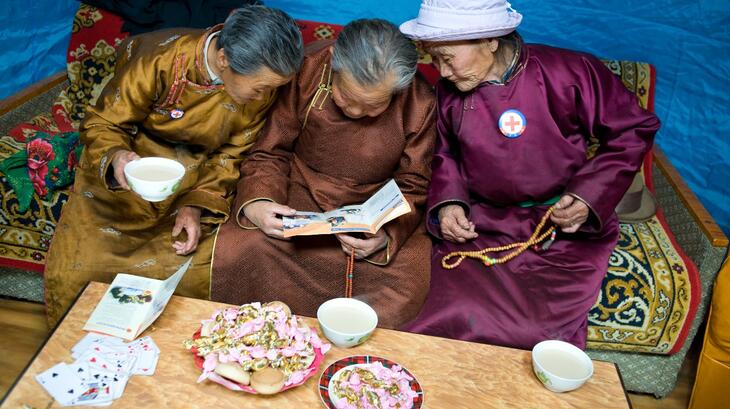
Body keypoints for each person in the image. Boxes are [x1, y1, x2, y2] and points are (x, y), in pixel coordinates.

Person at [399, 0, 660, 349]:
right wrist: (449, 204)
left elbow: (632, 129)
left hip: (557, 226)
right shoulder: (450, 92)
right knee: (448, 313)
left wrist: (588, 196)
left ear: (490, 39)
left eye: (447, 57)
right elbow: (445, 153)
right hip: (483, 225)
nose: (442, 72)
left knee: (533, 334)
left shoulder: (571, 72)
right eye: (434, 59)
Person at [43, 5, 304, 325]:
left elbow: (230, 155)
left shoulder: (259, 93)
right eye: (261, 87)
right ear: (224, 60)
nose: (265, 96)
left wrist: (194, 205)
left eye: (273, 89)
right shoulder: (159, 59)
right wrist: (117, 158)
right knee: (86, 263)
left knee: (196, 261)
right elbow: (103, 124)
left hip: (197, 170)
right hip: (133, 159)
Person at [211, 19, 437, 328]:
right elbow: (270, 150)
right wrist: (259, 203)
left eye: (372, 107)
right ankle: (263, 342)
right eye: (345, 97)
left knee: (402, 284)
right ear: (334, 67)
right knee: (243, 248)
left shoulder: (418, 101)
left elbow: (414, 182)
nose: (355, 112)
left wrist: (385, 235)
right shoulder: (308, 68)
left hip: (371, 205)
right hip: (298, 188)